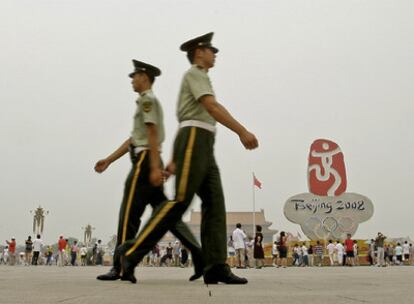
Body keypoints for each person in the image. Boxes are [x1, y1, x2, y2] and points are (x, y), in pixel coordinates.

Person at [119, 32, 258, 284]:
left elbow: (201, 113)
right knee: (180, 201)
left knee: (215, 204)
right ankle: (130, 252)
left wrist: (173, 161)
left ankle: (216, 266)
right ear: (199, 52)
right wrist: (242, 131)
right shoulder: (194, 73)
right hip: (194, 138)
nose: (214, 54)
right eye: (210, 50)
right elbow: (210, 107)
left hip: (203, 141)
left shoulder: (201, 76)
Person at [95, 60, 203, 283]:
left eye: (134, 76)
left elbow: (152, 133)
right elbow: (134, 139)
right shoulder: (145, 102)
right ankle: (199, 253)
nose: (132, 80)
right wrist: (109, 160)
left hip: (144, 162)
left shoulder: (148, 101)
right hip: (147, 158)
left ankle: (120, 266)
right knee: (167, 215)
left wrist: (154, 167)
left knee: (129, 215)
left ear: (144, 77)